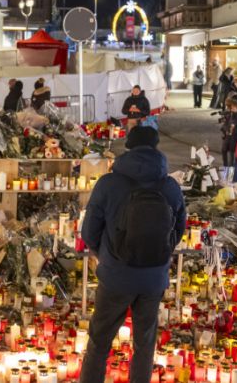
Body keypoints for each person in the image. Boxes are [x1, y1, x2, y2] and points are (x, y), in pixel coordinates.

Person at [79, 126, 186, 383]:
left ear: (128, 147)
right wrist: (158, 257)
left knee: (100, 341)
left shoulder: (109, 183)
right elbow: (178, 229)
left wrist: (104, 255)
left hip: (116, 276)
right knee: (144, 343)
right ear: (156, 147)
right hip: (153, 279)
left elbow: (89, 231)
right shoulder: (169, 186)